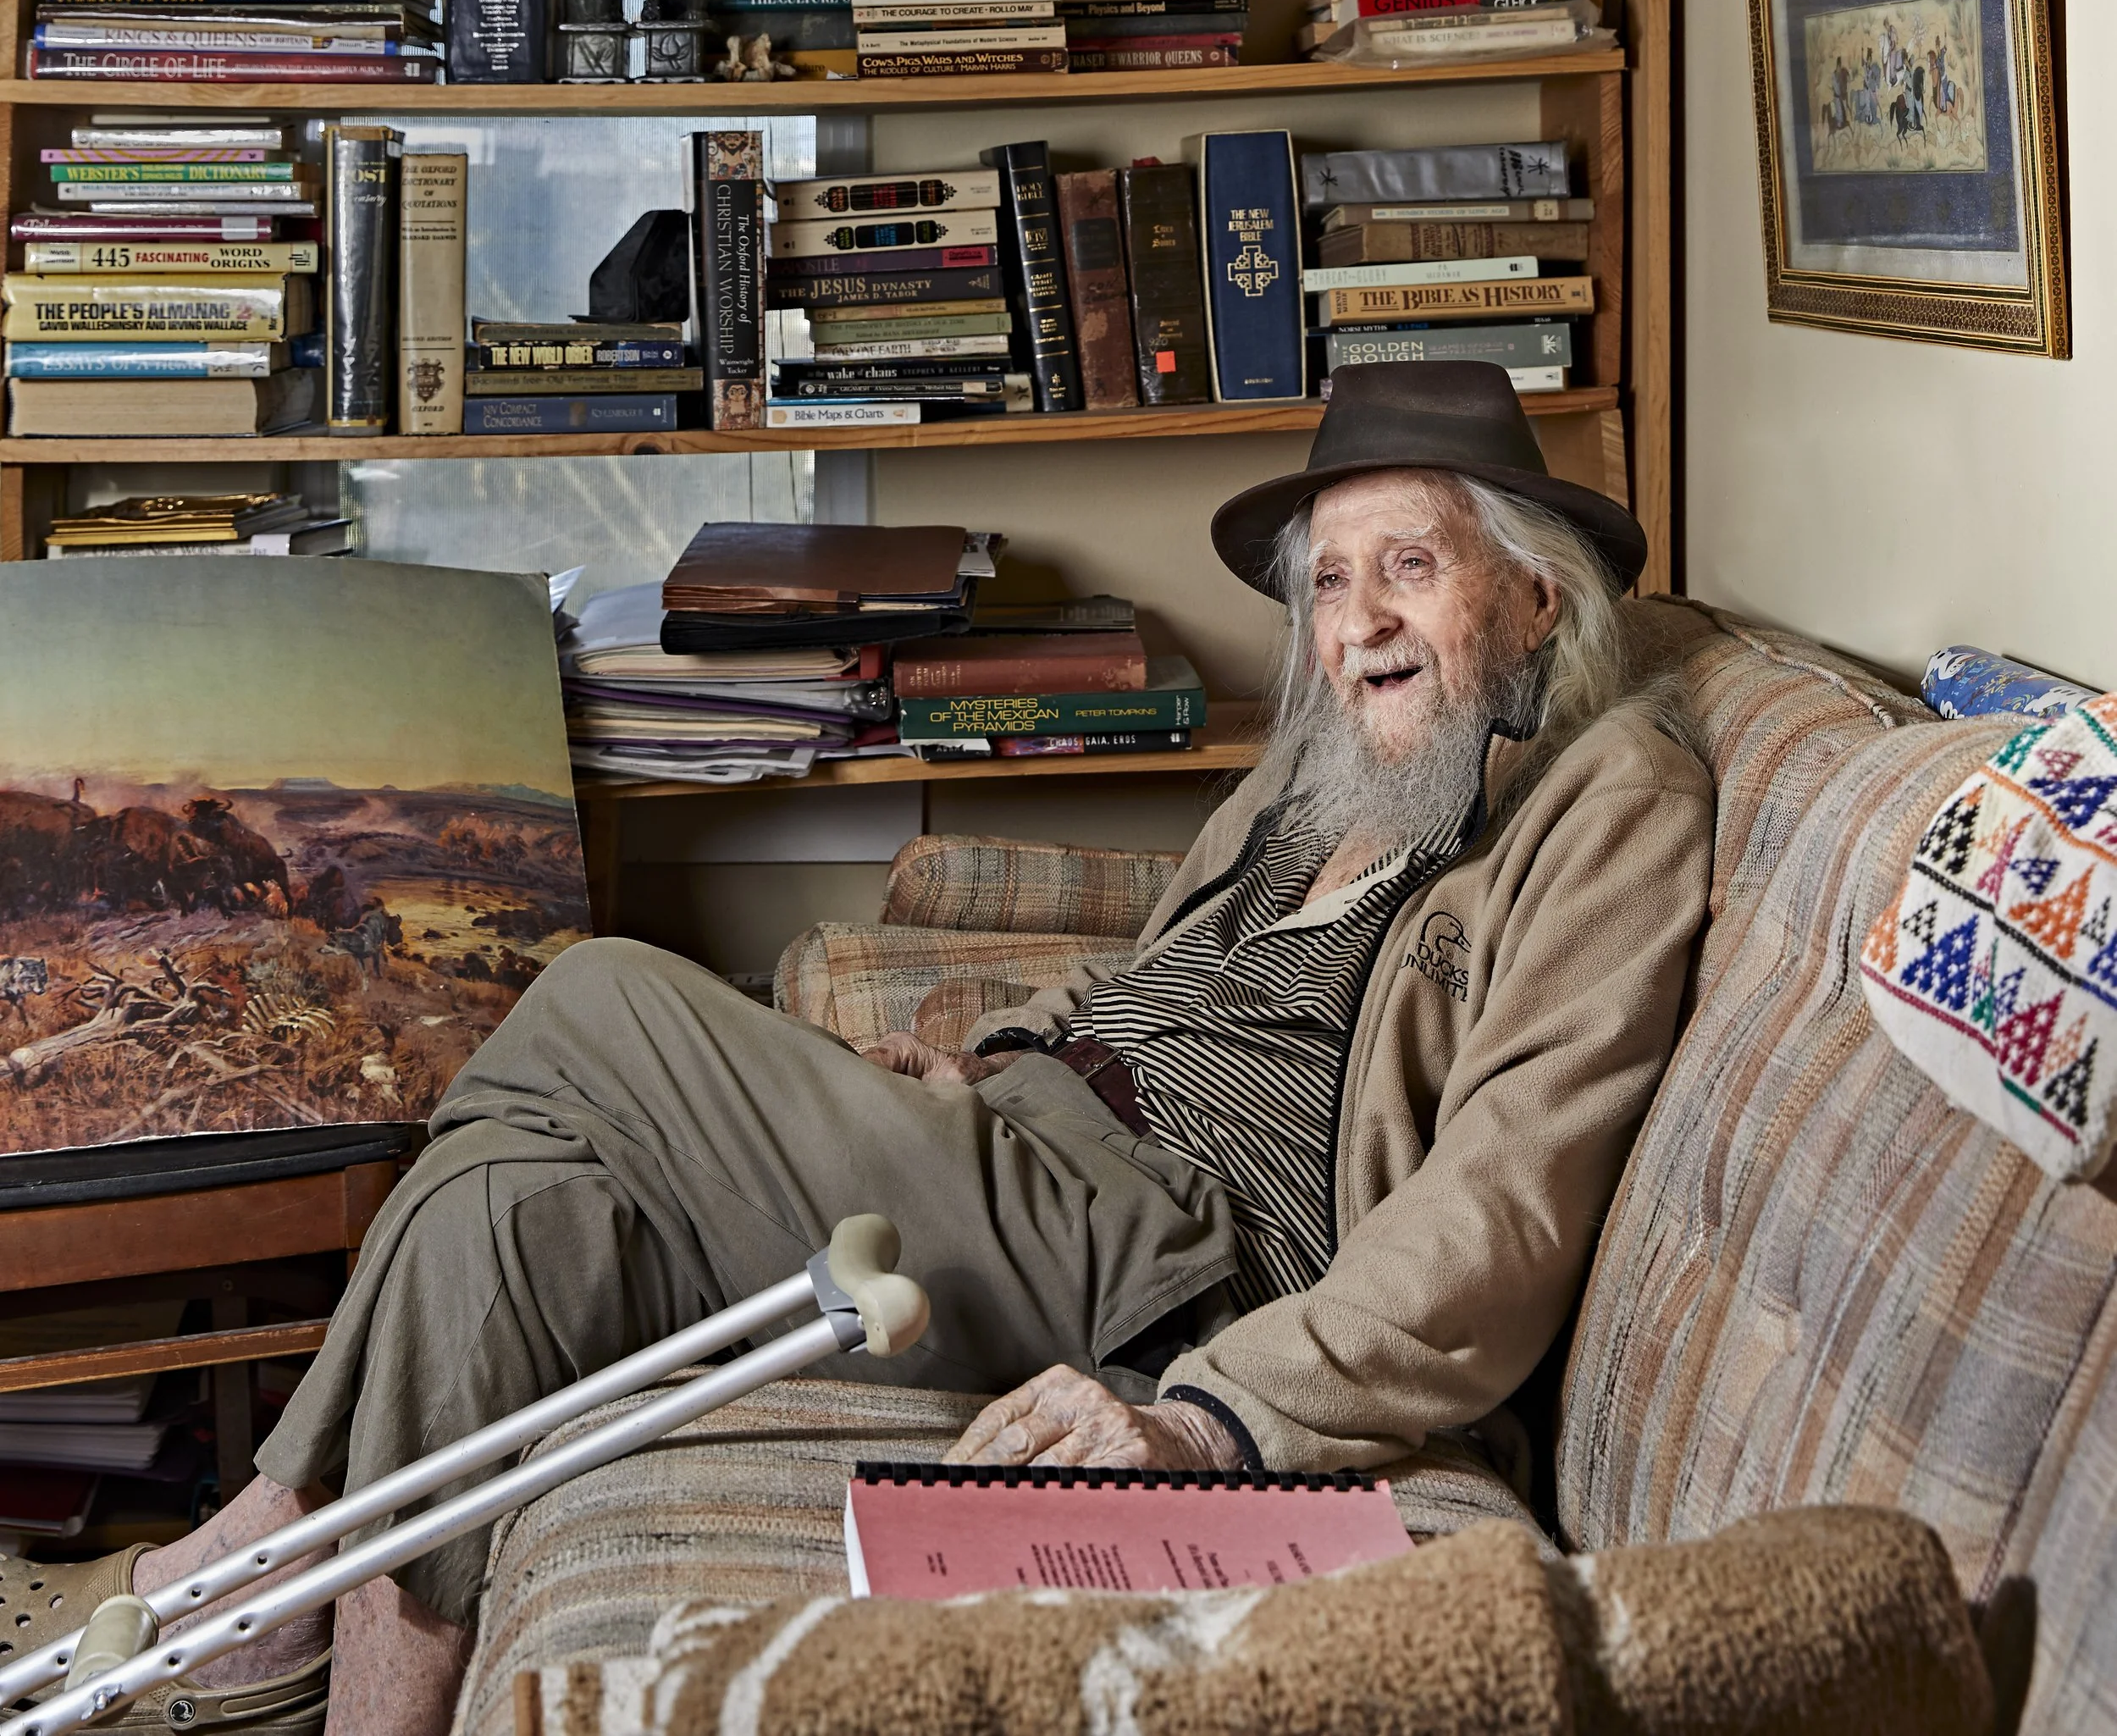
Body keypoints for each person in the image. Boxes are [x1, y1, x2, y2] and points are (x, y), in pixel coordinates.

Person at [17, 366, 1711, 1736]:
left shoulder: (1603, 794)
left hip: (1174, 1247)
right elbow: (1148, 984)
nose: (1356, 622)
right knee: (512, 1218)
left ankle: (263, 1540)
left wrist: (1212, 1413)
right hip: (1022, 1160)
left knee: (604, 986)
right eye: (1329, 581)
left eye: (1406, 564)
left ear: (1531, 586)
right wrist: (962, 1071)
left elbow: (1499, 1203)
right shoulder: (1322, 771)